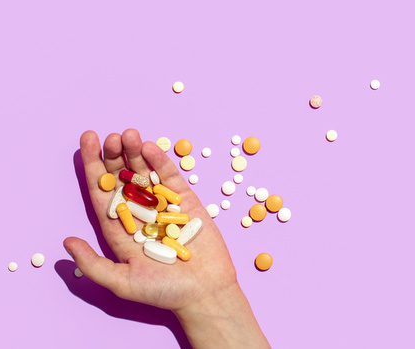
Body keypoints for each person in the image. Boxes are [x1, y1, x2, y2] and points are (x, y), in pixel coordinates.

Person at [64, 129, 271, 348]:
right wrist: (207, 298)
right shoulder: (150, 209)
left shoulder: (161, 216)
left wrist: (209, 294)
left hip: (163, 227)